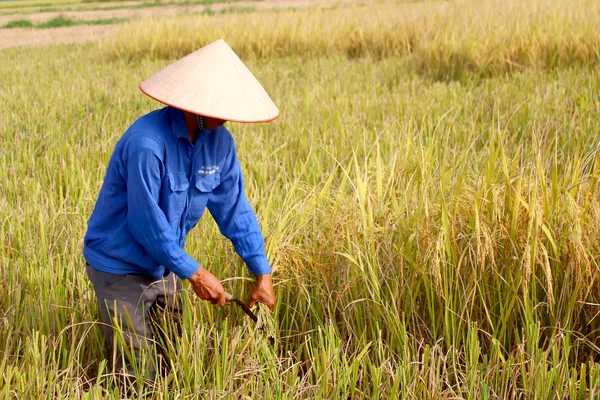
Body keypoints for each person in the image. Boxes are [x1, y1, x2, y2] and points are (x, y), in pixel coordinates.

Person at [83, 39, 279, 382]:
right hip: (119, 265)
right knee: (136, 373)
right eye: (220, 106)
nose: (227, 116)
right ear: (195, 104)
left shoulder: (220, 143)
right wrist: (197, 274)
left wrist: (262, 271)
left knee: (173, 356)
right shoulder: (147, 143)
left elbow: (235, 208)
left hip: (164, 264)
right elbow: (146, 224)